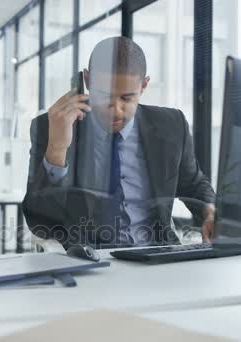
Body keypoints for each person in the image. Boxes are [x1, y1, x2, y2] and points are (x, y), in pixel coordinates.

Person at [22, 37, 216, 249]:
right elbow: (39, 223)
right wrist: (57, 149)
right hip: (90, 262)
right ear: (87, 81)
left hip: (157, 257)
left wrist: (211, 210)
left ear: (143, 86)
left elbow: (193, 184)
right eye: (104, 96)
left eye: (126, 98)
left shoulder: (171, 125)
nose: (115, 110)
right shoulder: (50, 127)